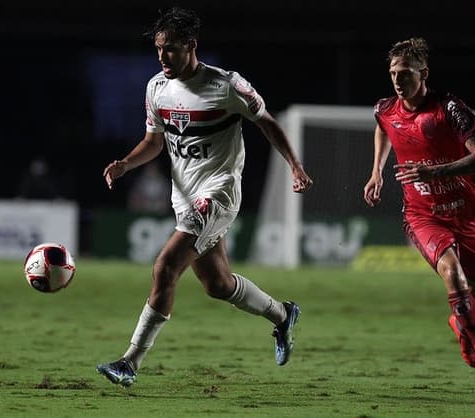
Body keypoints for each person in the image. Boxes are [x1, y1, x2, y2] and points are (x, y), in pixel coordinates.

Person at [96, 7, 313, 388]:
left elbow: (268, 123)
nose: (163, 57)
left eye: (172, 49)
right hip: (184, 197)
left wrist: (294, 166)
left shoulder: (227, 86)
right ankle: (282, 314)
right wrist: (125, 165)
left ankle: (130, 362)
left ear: (192, 46)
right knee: (218, 284)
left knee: (165, 267)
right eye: (159, 49)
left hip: (217, 194)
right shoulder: (156, 88)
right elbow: (154, 141)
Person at [363, 37, 475, 387]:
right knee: (453, 275)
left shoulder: (450, 109)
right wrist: (376, 172)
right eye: (393, 74)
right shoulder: (385, 108)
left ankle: (462, 328)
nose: (398, 81)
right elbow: (383, 126)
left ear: (424, 73)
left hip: (467, 212)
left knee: (473, 292)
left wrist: (434, 171)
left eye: (405, 74)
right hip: (422, 215)